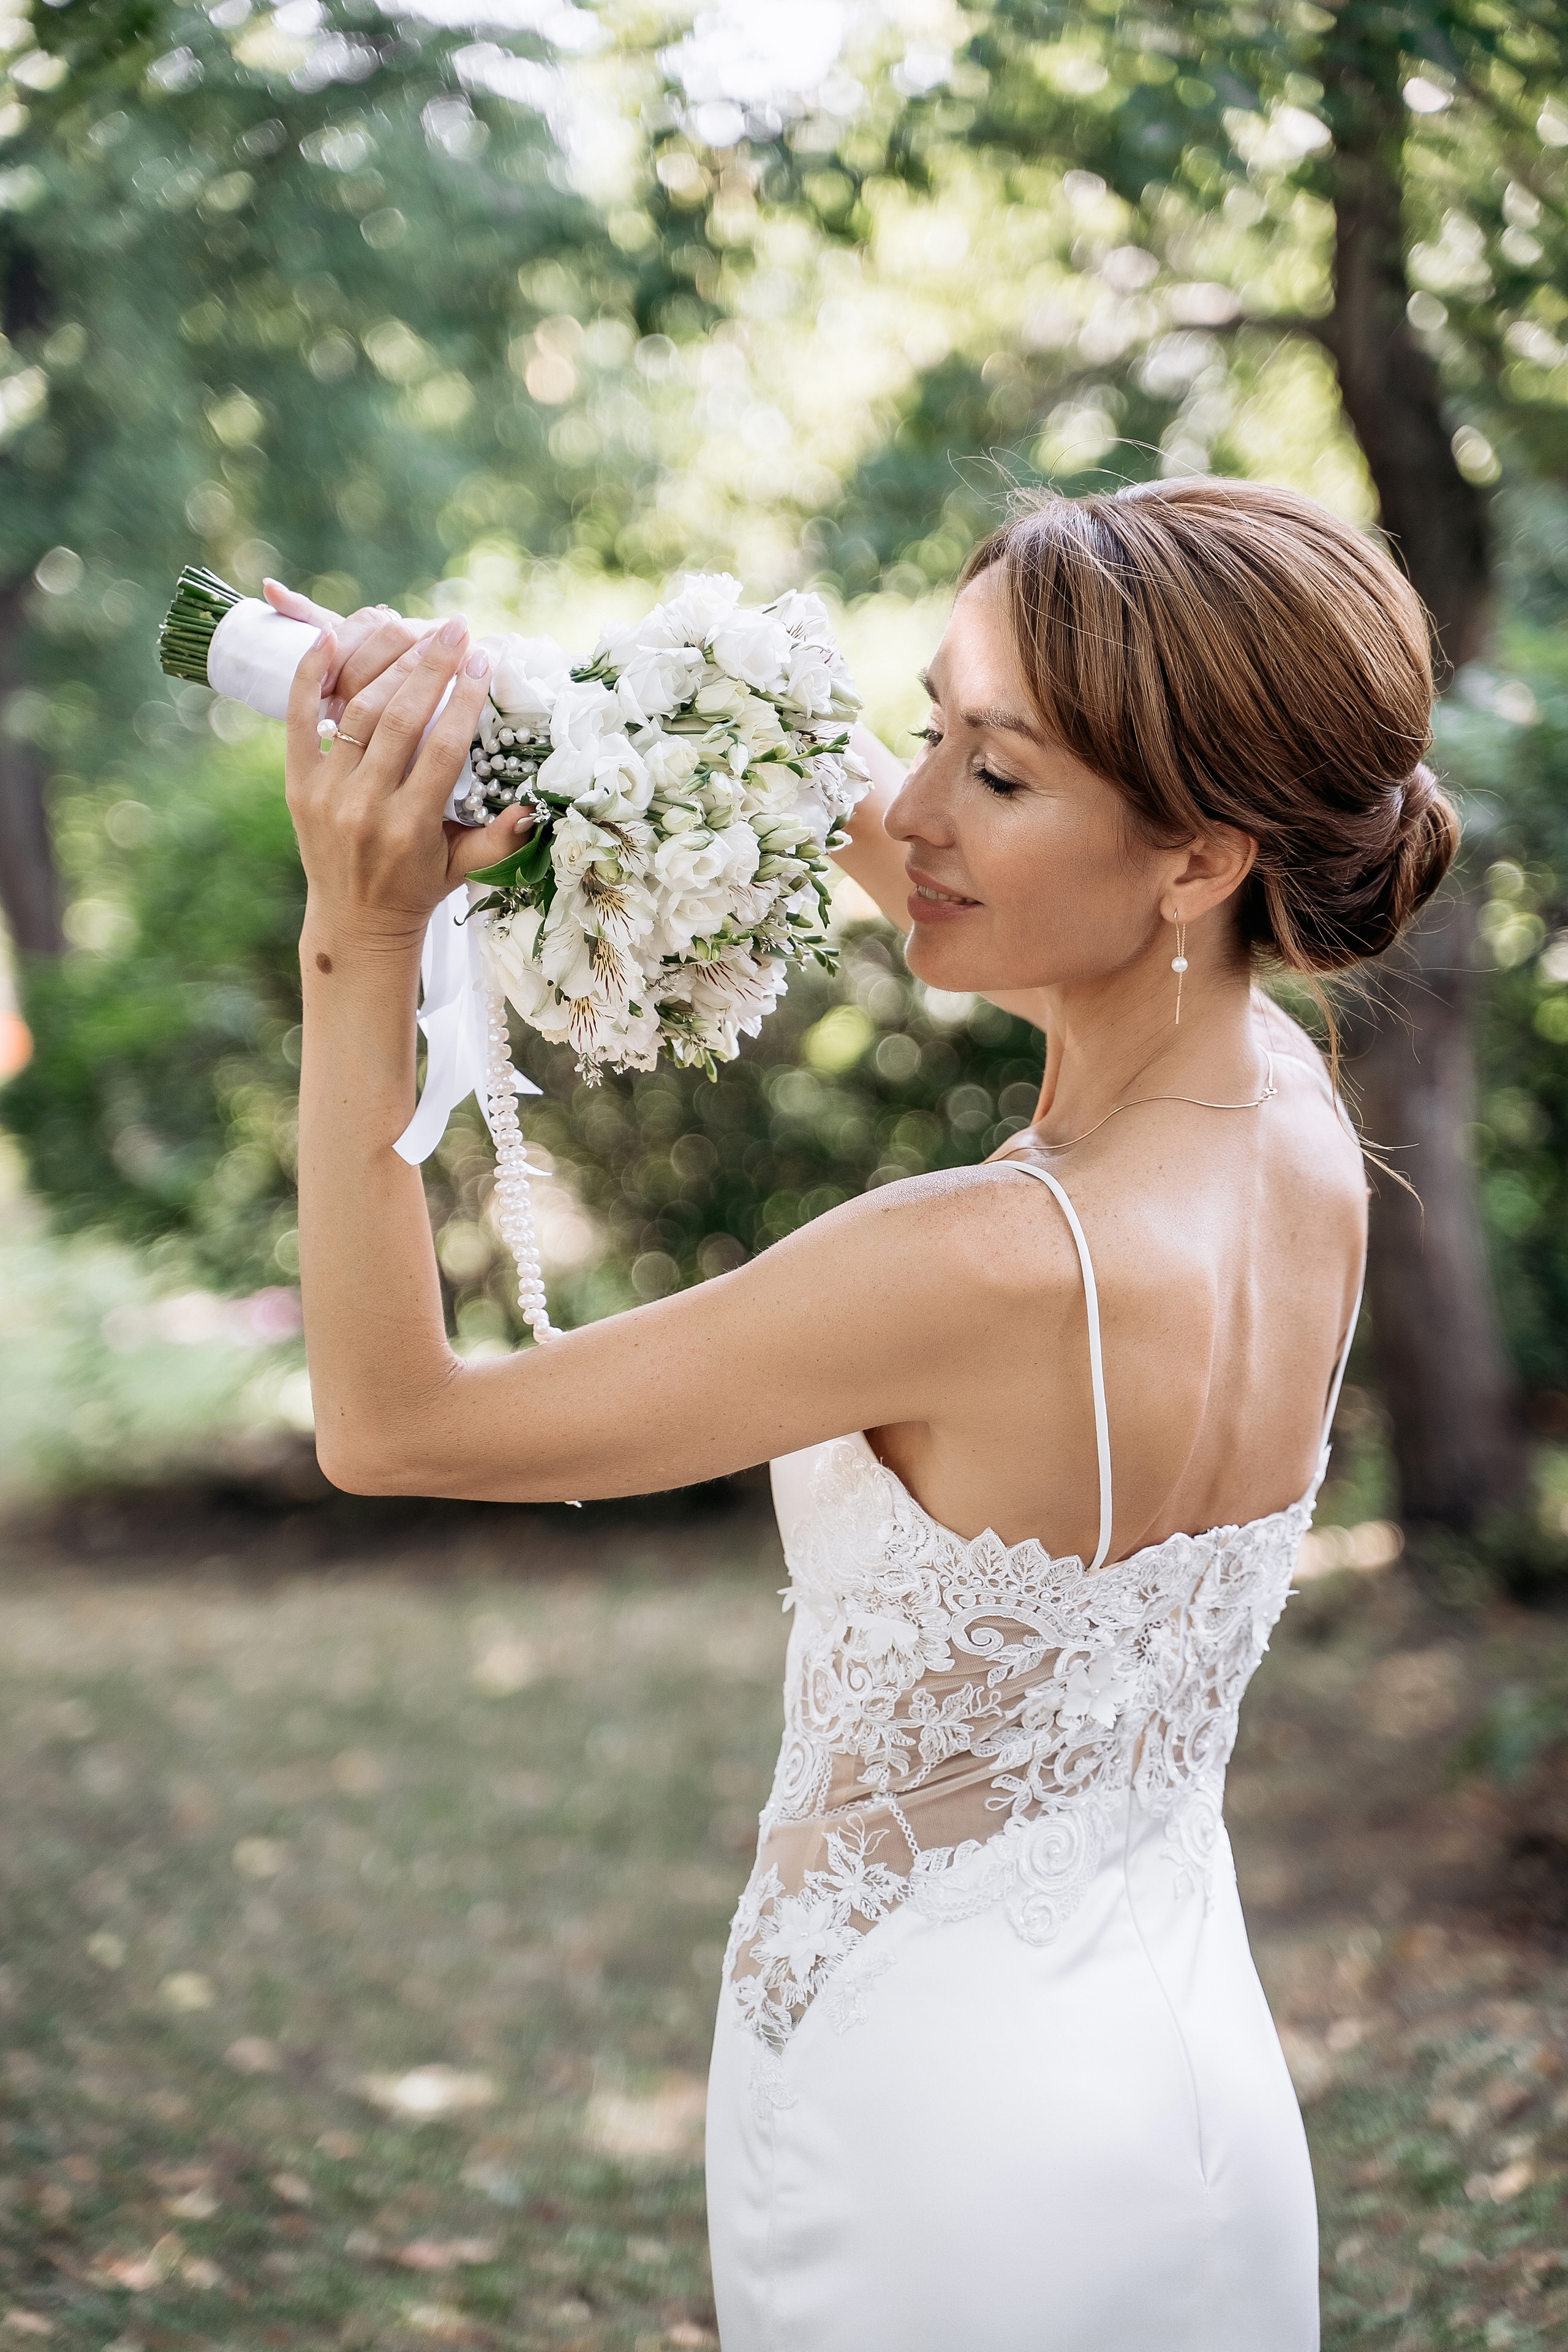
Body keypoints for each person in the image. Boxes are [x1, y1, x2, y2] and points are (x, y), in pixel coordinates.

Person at [277, 477, 1457, 2350]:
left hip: (935, 2147)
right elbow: (907, 842)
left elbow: (394, 1426)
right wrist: (484, 704)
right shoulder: (1290, 1117)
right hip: (1185, 2090)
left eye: (994, 772)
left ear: (1201, 857)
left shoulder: (981, 1265)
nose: (910, 813)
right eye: (930, 730)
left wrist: (355, 943)